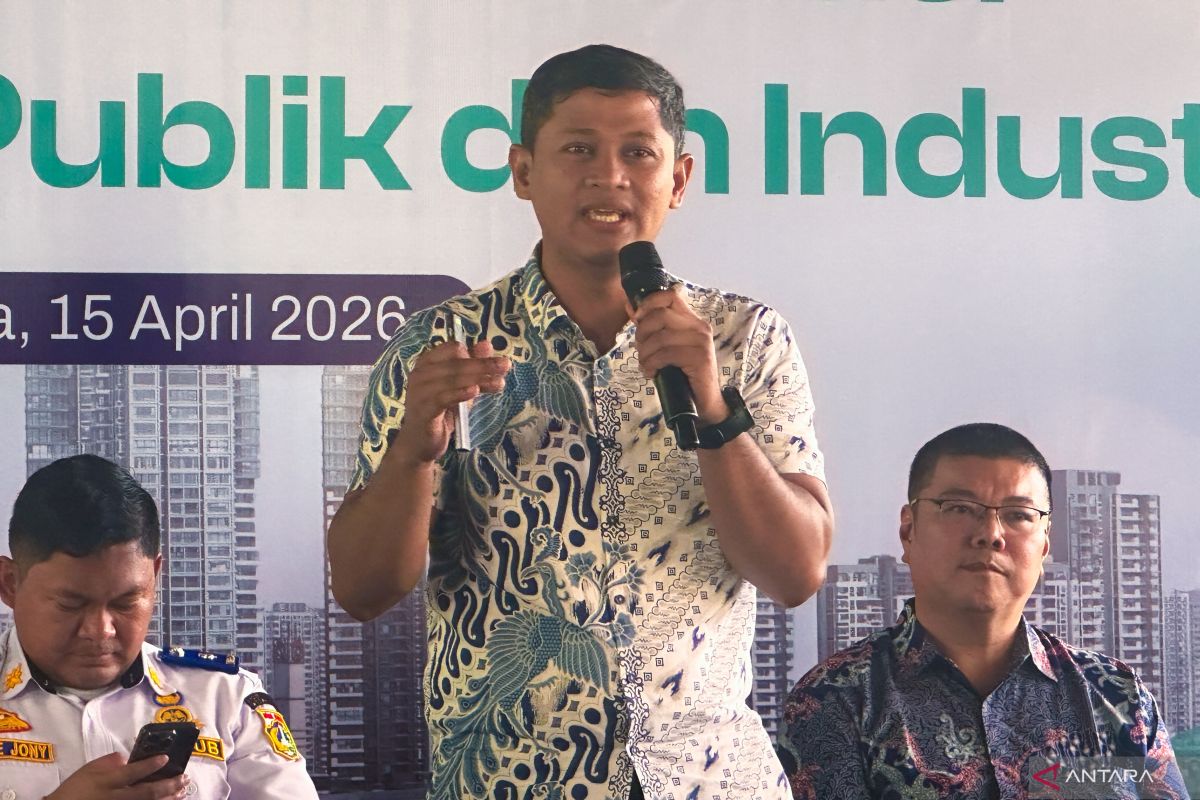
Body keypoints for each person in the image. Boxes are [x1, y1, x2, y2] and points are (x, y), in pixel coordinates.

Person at [328, 44, 833, 800]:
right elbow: (363, 590)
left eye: (638, 152)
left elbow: (795, 574)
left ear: (679, 179)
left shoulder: (744, 339)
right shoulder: (442, 347)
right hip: (509, 781)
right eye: (578, 150)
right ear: (523, 171)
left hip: (709, 779)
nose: (609, 176)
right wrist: (412, 454)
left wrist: (713, 409)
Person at [776, 423, 1188, 799]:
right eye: (959, 508)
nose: (990, 534)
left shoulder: (1117, 696)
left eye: (1018, 515)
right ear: (909, 530)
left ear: (1045, 543)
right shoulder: (837, 699)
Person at [0, 454, 319, 800]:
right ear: (10, 584)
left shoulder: (225, 699)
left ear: (154, 576)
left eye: (125, 603)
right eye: (70, 605)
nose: (101, 630)